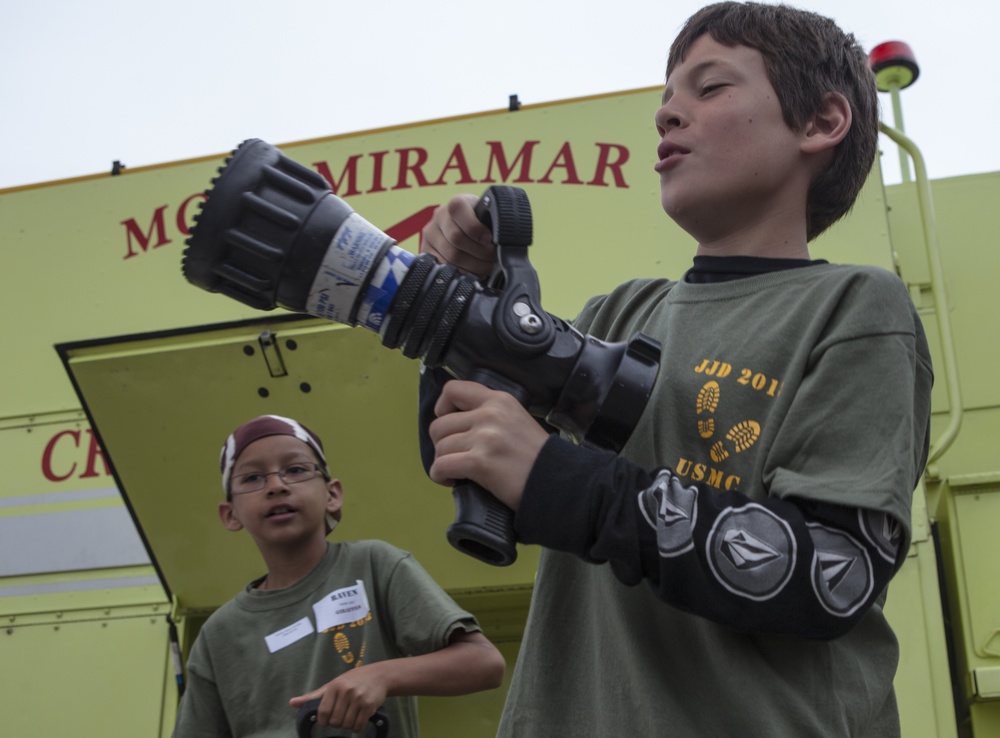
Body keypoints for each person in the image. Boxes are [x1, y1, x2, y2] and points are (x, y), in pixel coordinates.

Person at [417, 2, 934, 736]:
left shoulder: (855, 306)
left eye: (709, 87)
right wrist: (462, 308)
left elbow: (833, 574)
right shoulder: (615, 314)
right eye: (664, 99)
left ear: (821, 122)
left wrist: (565, 482)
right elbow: (464, 455)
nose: (666, 114)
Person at [172, 414, 505, 737]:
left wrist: (380, 676)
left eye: (296, 470)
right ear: (230, 514)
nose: (276, 485)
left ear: (332, 495)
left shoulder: (374, 566)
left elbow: (484, 663)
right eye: (253, 478)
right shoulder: (219, 635)